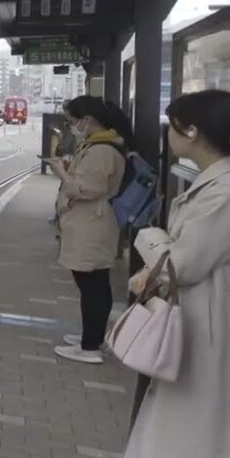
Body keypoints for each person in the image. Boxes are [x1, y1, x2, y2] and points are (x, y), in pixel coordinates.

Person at [122, 89, 230, 458]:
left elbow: (183, 264)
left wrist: (148, 236)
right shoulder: (216, 183)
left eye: (173, 126)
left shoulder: (224, 191)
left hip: (206, 328)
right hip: (201, 321)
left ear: (192, 133)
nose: (168, 133)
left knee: (187, 425)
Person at [46, 95, 133, 364]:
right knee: (95, 283)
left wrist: (60, 171)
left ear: (87, 120)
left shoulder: (102, 150)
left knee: (92, 285)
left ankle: (90, 347)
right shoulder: (100, 145)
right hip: (92, 222)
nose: (72, 125)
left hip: (92, 222)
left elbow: (84, 189)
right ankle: (92, 336)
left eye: (72, 120)